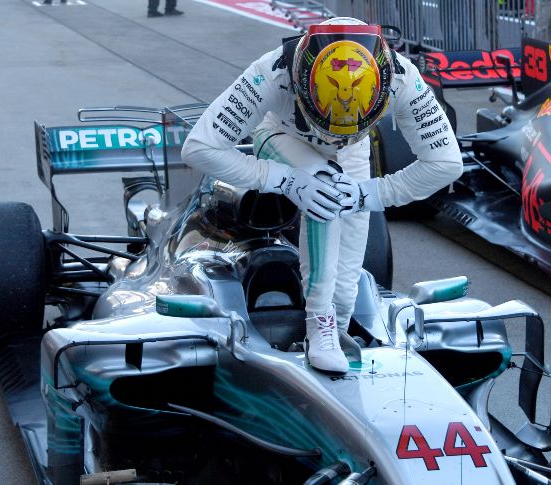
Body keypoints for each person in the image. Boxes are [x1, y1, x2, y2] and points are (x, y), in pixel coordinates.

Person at [181, 18, 462, 373]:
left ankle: (338, 324)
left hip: (354, 154)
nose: (335, 132)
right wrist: (280, 179)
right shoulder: (272, 71)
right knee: (326, 188)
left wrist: (370, 194)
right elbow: (198, 148)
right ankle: (320, 323)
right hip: (283, 137)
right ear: (301, 82)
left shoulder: (402, 76)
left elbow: (447, 163)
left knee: (347, 286)